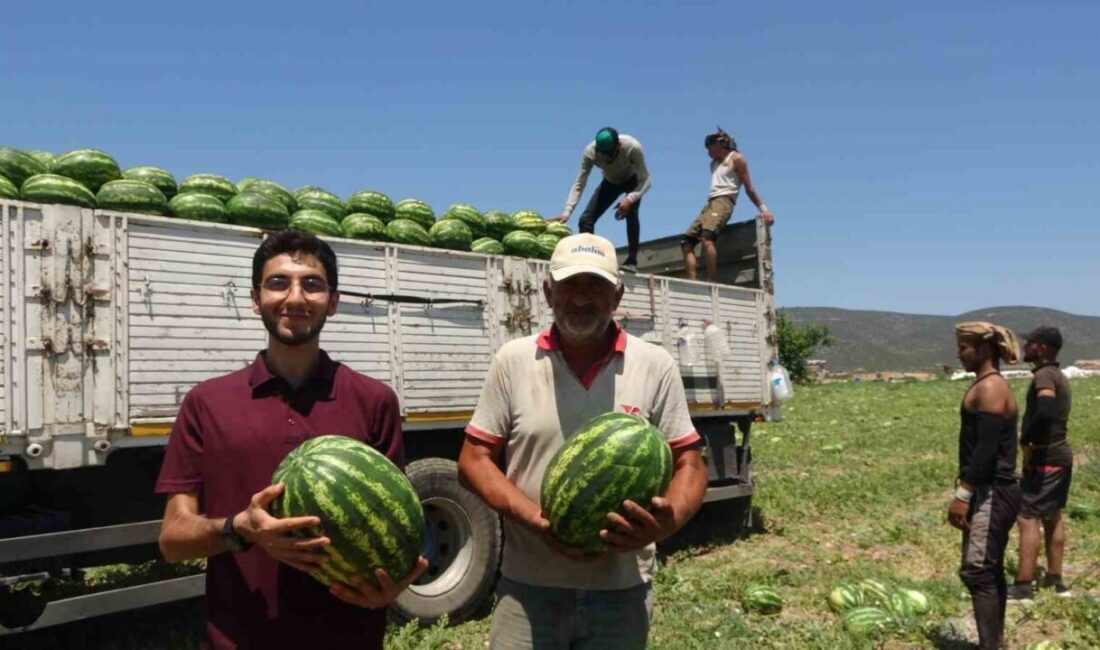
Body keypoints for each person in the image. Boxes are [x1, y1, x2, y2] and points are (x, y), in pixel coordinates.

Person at [155, 229, 427, 649]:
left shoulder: (374, 400)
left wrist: (391, 588)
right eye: (278, 282)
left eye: (312, 284)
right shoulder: (207, 402)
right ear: (255, 297)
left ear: (333, 302)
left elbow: (395, 526)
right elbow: (173, 539)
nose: (295, 298)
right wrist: (241, 528)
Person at [458, 233, 708, 649]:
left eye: (596, 285)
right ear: (548, 291)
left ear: (618, 295)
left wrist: (671, 519)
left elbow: (690, 462)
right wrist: (538, 522)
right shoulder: (514, 360)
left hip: (621, 587)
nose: (581, 298)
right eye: (570, 284)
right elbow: (474, 459)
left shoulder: (654, 364)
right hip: (528, 587)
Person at [949, 322, 1022, 650]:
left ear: (983, 349)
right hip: (993, 490)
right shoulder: (988, 385)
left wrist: (964, 494)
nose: (959, 353)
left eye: (964, 347)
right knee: (988, 570)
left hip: (991, 492)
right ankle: (996, 642)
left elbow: (986, 450)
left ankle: (990, 645)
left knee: (978, 571)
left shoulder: (990, 389)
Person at [1009, 326, 1074, 600]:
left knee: (1027, 516)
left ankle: (1023, 585)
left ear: (1043, 348)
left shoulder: (1045, 375)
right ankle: (1056, 580)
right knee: (1053, 514)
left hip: (1046, 457)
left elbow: (1045, 410)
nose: (1026, 347)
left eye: (1031, 343)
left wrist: (1027, 441)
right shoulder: (1057, 374)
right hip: (1060, 456)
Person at [552, 127, 652, 273]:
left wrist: (630, 199)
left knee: (631, 213)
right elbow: (580, 182)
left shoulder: (632, 147)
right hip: (610, 183)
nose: (607, 159)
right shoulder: (590, 152)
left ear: (618, 146)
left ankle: (632, 261)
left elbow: (646, 180)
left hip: (633, 180)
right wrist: (567, 212)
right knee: (585, 220)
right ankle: (588, 260)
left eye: (610, 155)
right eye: (603, 155)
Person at [682, 127, 773, 282]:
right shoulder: (713, 164)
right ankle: (693, 282)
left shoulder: (737, 159)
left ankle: (712, 282)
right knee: (686, 242)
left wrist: (764, 209)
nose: (707, 153)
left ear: (719, 145)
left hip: (724, 201)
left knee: (707, 238)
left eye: (709, 148)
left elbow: (749, 188)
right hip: (711, 202)